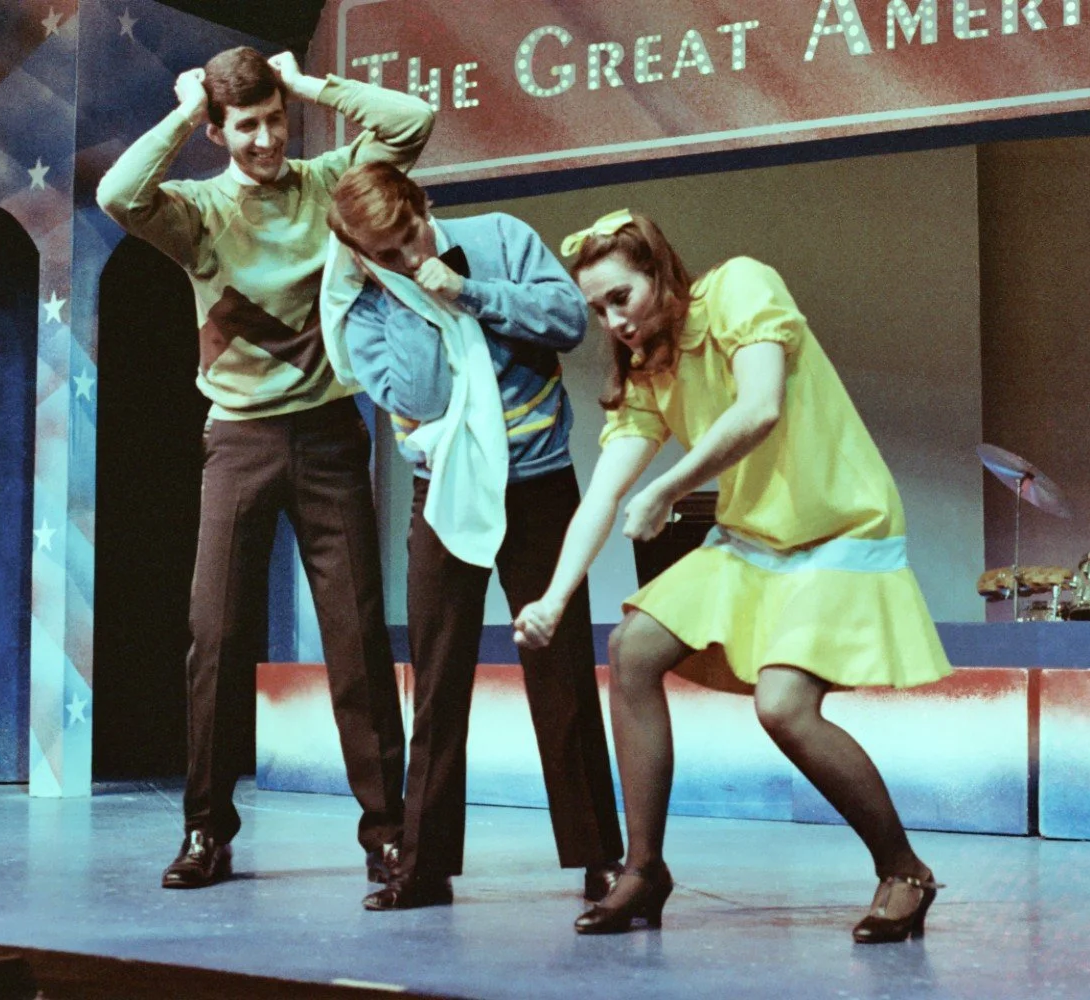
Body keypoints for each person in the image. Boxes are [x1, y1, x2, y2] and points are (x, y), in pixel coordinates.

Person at [514, 210, 953, 939]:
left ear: (659, 272)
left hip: (841, 529)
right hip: (754, 541)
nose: (613, 320)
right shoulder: (648, 370)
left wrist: (669, 488)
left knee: (783, 708)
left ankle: (903, 869)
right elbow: (602, 496)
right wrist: (554, 598)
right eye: (598, 310)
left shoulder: (740, 288)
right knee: (632, 647)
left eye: (621, 296)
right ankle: (643, 870)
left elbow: (760, 407)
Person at [96, 48, 435, 890]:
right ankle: (206, 832)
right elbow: (117, 195)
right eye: (245, 125)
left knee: (356, 636)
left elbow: (413, 122)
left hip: (328, 435)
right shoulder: (200, 211)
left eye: (274, 119)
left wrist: (311, 84)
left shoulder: (329, 183)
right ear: (219, 132)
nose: (265, 138)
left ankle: (388, 833)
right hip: (238, 438)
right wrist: (184, 112)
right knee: (214, 636)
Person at [320, 163, 624, 910]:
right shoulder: (364, 307)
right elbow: (420, 400)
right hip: (447, 493)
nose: (406, 256)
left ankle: (599, 858)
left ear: (425, 204)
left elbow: (569, 321)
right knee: (438, 676)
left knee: (561, 669)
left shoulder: (501, 237)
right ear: (358, 254)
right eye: (383, 252)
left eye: (410, 236)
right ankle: (424, 866)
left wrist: (468, 291)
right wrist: (411, 298)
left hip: (538, 478)